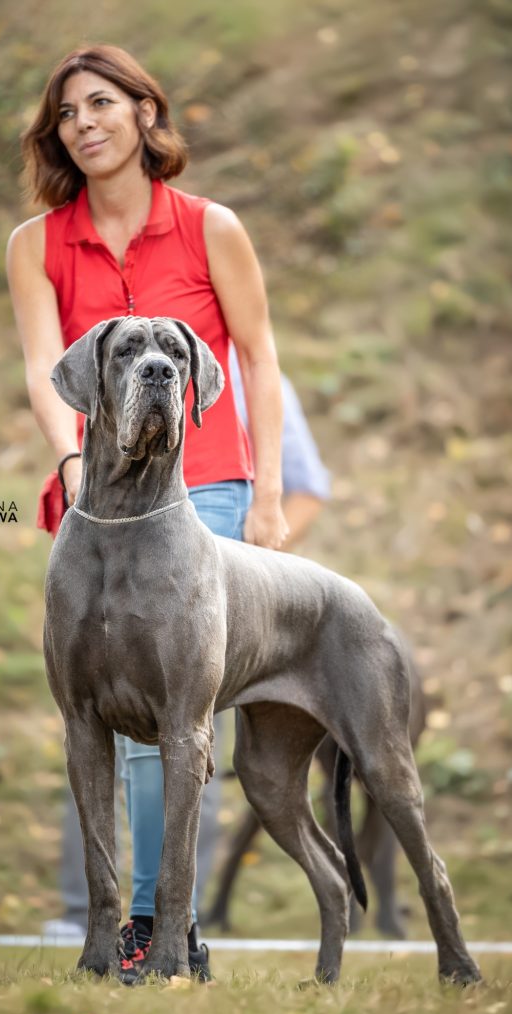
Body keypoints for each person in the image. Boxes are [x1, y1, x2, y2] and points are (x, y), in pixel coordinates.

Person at [6, 44, 288, 983]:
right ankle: (126, 920)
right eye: (65, 115)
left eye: (101, 104)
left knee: (171, 727)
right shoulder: (35, 245)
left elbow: (256, 357)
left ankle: (156, 927)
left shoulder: (212, 227)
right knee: (92, 706)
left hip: (202, 486)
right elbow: (45, 367)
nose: (83, 124)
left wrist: (271, 497)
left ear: (143, 112)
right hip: (91, 492)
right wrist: (75, 460)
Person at [43, 356, 331, 941]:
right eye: (130, 353)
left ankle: (168, 926)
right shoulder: (87, 327)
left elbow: (306, 484)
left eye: (173, 358)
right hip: (99, 515)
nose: (156, 364)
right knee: (91, 728)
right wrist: (74, 462)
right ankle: (90, 917)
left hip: (207, 507)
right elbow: (41, 365)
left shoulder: (232, 363)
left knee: (179, 739)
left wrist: (260, 546)